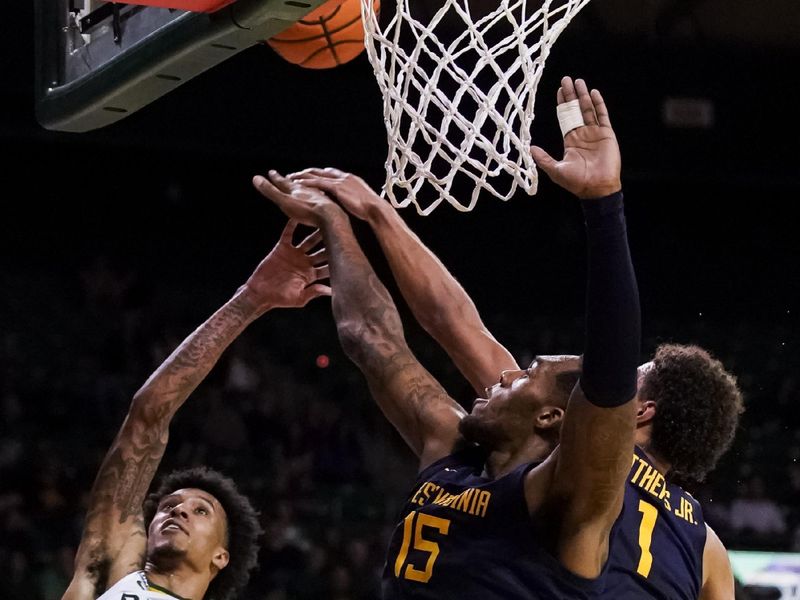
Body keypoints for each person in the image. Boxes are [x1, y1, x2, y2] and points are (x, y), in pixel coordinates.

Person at [291, 77, 744, 598]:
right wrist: (372, 213)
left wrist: (604, 206)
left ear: (638, 410)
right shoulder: (705, 546)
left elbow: (456, 326)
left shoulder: (578, 460)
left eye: (630, 377)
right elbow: (441, 325)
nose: (511, 376)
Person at [62, 221, 331, 600]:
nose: (178, 511)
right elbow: (147, 415)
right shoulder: (109, 571)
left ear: (221, 556)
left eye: (201, 511)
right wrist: (250, 299)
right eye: (169, 506)